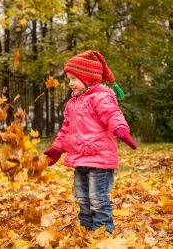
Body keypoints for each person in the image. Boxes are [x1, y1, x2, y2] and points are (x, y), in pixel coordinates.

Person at [43, 50, 137, 234]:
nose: (70, 83)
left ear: (88, 78)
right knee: (82, 197)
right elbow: (66, 129)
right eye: (69, 79)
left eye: (74, 79)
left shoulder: (101, 97)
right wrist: (57, 148)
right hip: (80, 159)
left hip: (99, 159)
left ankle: (103, 231)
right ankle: (86, 229)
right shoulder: (73, 103)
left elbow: (112, 114)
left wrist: (120, 129)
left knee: (97, 197)